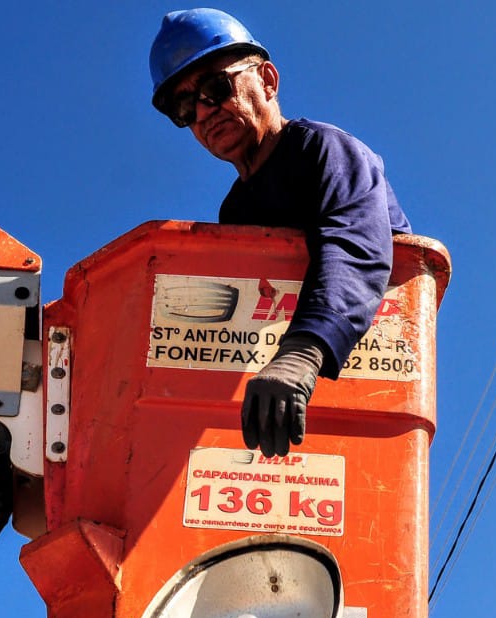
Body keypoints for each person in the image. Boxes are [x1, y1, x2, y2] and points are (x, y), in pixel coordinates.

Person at [149, 8, 412, 458]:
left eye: (216, 87)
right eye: (184, 107)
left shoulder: (323, 150)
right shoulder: (236, 210)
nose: (204, 112)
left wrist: (300, 356)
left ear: (267, 80)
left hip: (360, 388)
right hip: (278, 412)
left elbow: (357, 246)